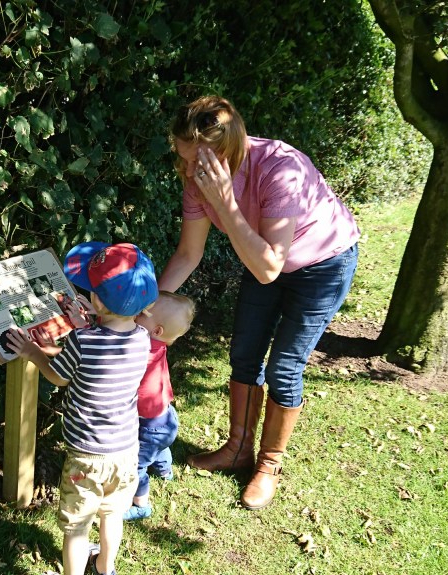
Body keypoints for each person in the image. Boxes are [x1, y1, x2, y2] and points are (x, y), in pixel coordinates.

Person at [158, 95, 360, 510]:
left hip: (322, 263)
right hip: (263, 257)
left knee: (284, 366)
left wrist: (224, 203)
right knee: (245, 353)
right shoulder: (197, 178)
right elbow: (188, 255)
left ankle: (268, 466)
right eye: (183, 158)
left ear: (225, 152)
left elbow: (269, 267)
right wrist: (145, 307)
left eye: (197, 161)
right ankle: (237, 449)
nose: (188, 170)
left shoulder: (280, 170)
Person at [5, 242, 158, 575]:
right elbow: (106, 343)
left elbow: (59, 377)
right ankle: (105, 567)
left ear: (97, 301)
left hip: (87, 455)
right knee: (111, 515)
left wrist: (33, 352)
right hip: (125, 451)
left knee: (77, 526)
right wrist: (88, 324)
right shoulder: (143, 338)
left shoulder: (82, 341)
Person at [122, 291, 196, 521]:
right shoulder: (156, 345)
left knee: (134, 466)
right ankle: (165, 470)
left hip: (149, 428)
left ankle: (140, 505)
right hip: (166, 420)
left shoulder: (142, 349)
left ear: (157, 330)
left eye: (142, 313)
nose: (135, 315)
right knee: (160, 448)